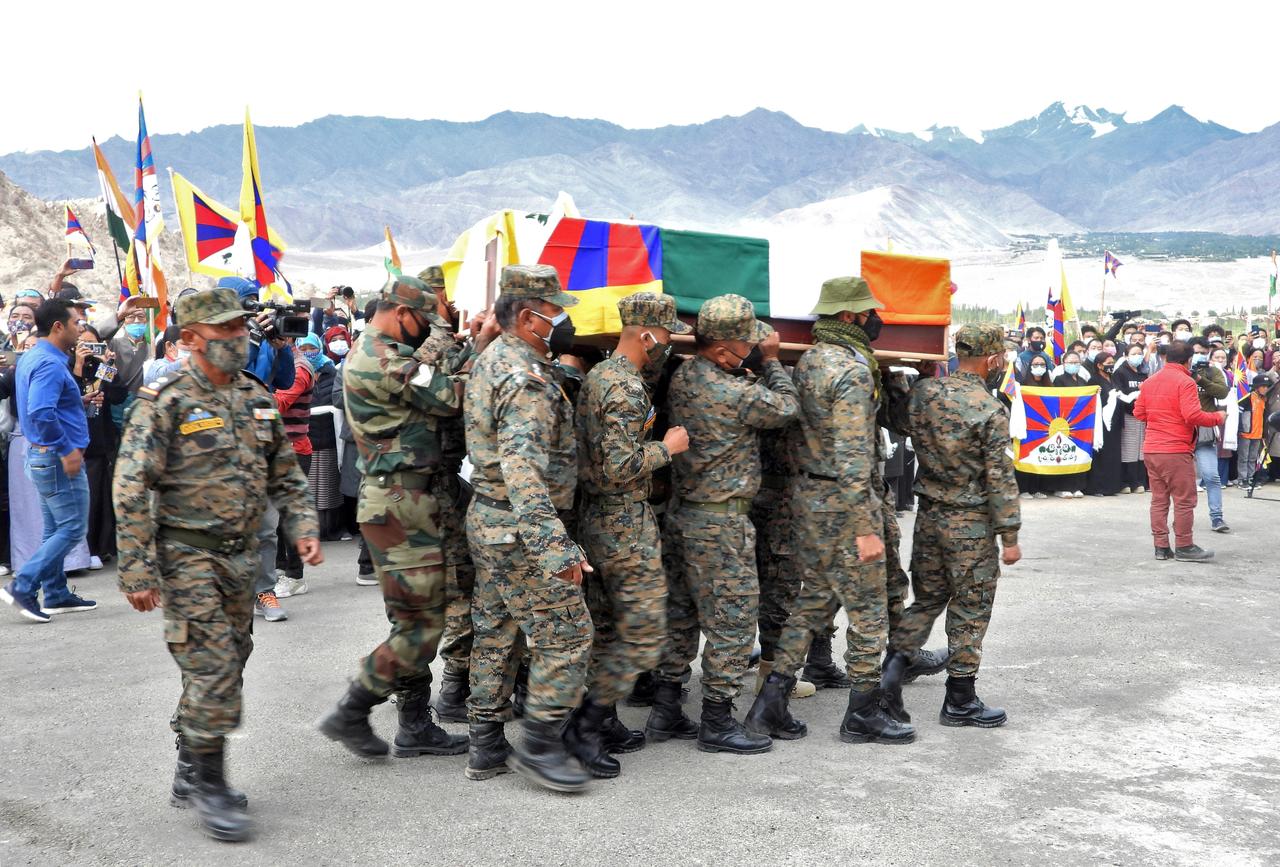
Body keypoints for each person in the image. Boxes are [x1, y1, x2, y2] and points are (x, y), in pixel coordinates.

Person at [113, 287, 320, 842]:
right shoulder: (167, 399)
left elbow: (286, 475)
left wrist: (302, 526)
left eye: (241, 331)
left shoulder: (254, 397)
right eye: (226, 333)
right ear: (190, 339)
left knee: (232, 655)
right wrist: (135, 568)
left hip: (241, 558)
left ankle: (189, 755)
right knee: (214, 667)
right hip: (186, 554)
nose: (239, 341)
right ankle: (212, 783)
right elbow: (131, 486)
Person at [743, 277, 912, 747]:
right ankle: (862, 712)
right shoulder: (852, 372)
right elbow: (854, 455)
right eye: (867, 312)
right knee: (870, 608)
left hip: (807, 498)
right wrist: (865, 526)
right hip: (843, 502)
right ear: (852, 316)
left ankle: (767, 706)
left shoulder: (810, 361)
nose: (873, 319)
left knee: (813, 600)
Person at [318, 274, 471, 765]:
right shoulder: (383, 359)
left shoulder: (379, 352)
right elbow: (452, 396)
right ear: (402, 313)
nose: (425, 330)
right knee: (420, 626)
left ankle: (413, 724)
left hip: (401, 500)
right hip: (399, 502)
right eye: (423, 320)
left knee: (415, 618)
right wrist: (479, 346)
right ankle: (353, 706)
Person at [462, 264, 592, 791]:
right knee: (568, 634)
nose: (561, 320)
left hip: (489, 519)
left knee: (497, 630)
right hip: (520, 528)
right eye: (554, 311)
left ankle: (485, 743)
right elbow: (522, 469)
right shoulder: (526, 380)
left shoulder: (494, 358)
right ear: (526, 316)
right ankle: (539, 745)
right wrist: (553, 547)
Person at [650, 293, 798, 757]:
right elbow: (788, 407)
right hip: (721, 525)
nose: (752, 350)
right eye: (745, 345)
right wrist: (773, 363)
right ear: (719, 351)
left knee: (681, 615)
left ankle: (665, 707)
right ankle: (717, 720)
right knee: (733, 624)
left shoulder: (683, 376)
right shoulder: (737, 393)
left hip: (683, 515)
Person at [570, 291, 691, 778]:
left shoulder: (600, 375)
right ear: (645, 334)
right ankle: (586, 726)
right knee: (642, 631)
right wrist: (667, 447)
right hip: (622, 521)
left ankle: (605, 721)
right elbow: (621, 466)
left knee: (607, 628)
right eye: (664, 335)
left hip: (597, 518)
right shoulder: (624, 387)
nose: (667, 343)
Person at [878, 323, 1021, 727]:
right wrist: (1009, 535)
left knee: (926, 600)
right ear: (993, 359)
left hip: (930, 517)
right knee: (970, 608)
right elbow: (999, 477)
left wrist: (906, 379)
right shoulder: (989, 408)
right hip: (970, 524)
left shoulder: (926, 392)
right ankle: (960, 699)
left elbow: (897, 420)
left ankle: (890, 675)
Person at [0, 298, 95, 622]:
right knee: (71, 527)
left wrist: (77, 400)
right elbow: (40, 412)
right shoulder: (50, 363)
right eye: (75, 323)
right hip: (55, 458)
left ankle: (55, 593)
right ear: (58, 327)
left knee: (55, 526)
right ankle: (23, 586)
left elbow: (44, 405)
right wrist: (67, 449)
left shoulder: (36, 356)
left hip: (42, 455)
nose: (79, 328)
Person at [415, 265, 480, 726]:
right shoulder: (424, 343)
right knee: (454, 588)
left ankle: (454, 684)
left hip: (443, 480)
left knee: (459, 585)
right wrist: (464, 339)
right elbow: (438, 390)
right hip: (426, 486)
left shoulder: (437, 341)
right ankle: (451, 689)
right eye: (446, 294)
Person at [1134, 340, 1225, 562]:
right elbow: (1193, 416)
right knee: (1184, 499)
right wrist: (1218, 418)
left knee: (1159, 499)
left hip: (1152, 449)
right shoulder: (1185, 382)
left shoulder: (1150, 381)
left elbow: (1139, 412)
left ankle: (1161, 546)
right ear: (1189, 360)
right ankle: (1184, 545)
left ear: (1165, 357)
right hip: (1175, 449)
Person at [72, 325, 123, 566]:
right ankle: (78, 551)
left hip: (98, 440)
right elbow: (69, 392)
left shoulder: (100, 367)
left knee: (97, 498)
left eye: (94, 344)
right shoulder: (67, 365)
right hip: (73, 442)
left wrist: (107, 364)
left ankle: (97, 548)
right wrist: (79, 364)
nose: (88, 349)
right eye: (83, 344)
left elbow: (118, 395)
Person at [1188, 345, 1230, 532]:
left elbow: (1222, 392)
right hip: (1182, 432)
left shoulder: (1213, 372)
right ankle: (1178, 520)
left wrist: (1200, 379)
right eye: (1195, 352)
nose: (1199, 356)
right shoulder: (1179, 372)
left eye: (1203, 352)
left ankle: (1217, 518)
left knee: (1212, 476)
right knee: (1179, 481)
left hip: (1205, 431)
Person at [1112, 343, 1150, 493]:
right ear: (1126, 356)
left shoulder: (1143, 373)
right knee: (1128, 449)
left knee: (1141, 449)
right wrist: (1136, 391)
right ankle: (1126, 482)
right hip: (1127, 414)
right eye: (1133, 354)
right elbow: (1120, 393)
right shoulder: (1120, 373)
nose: (1137, 356)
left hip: (1142, 415)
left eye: (1139, 353)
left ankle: (1140, 481)